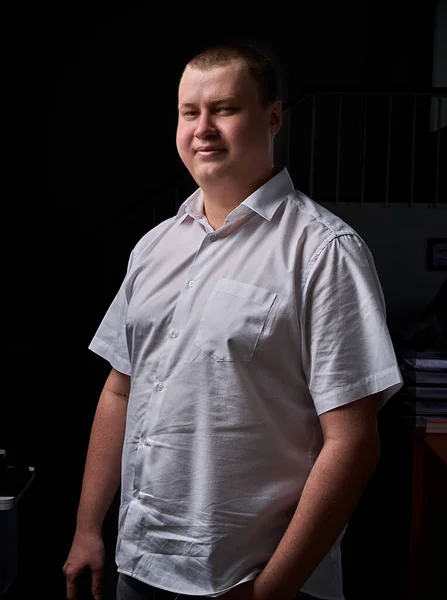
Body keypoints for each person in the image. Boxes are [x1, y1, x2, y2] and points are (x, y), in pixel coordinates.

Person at [63, 42, 403, 600]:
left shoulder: (323, 251)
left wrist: (270, 591)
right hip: (140, 563)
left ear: (272, 116)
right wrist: (85, 530)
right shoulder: (154, 246)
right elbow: (120, 392)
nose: (203, 128)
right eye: (188, 112)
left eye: (224, 109)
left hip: (252, 577)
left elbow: (353, 442)